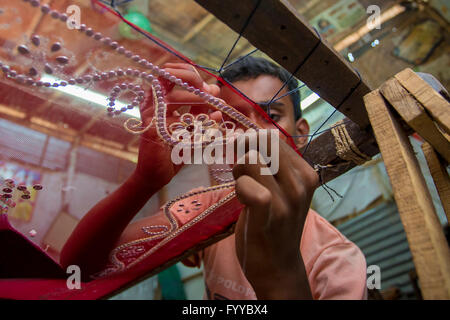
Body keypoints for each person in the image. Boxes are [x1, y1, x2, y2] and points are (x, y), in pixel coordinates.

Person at [60, 56, 367, 300]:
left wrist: (280, 277)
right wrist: (145, 180)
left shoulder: (336, 260)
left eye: (271, 116)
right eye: (234, 119)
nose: (252, 131)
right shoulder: (210, 209)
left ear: (301, 134)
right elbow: (80, 269)